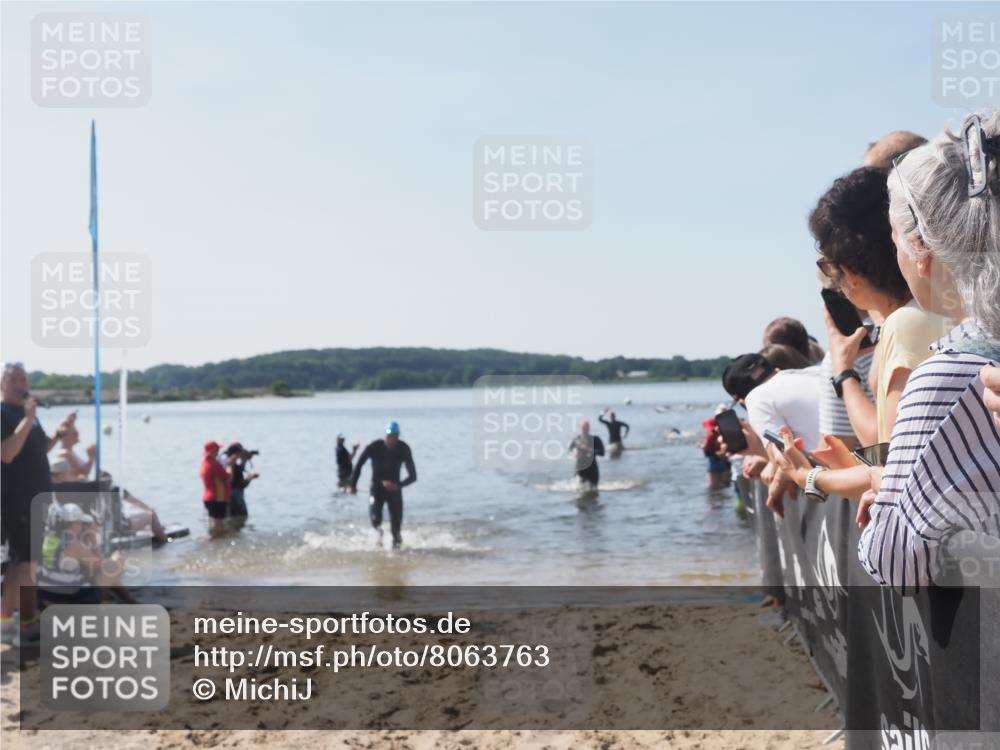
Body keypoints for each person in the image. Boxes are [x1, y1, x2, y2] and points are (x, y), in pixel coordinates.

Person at [774, 113, 1000, 592]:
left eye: (896, 236)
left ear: (921, 250)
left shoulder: (948, 372)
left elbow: (897, 562)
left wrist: (883, 488)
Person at [811, 166, 953, 449]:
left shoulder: (906, 324)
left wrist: (844, 372)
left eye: (828, 266)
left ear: (849, 272)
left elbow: (893, 452)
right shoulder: (947, 306)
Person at [1, 363, 74, 644]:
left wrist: (58, 433)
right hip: (17, 499)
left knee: (22, 563)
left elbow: (37, 449)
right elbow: (7, 454)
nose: (21, 385)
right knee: (25, 564)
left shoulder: (27, 416)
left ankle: (8, 621)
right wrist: (28, 419)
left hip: (39, 497)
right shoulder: (5, 413)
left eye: (24, 379)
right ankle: (25, 623)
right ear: (2, 384)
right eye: (15, 380)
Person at [349, 421, 417, 549]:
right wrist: (353, 484)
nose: (391, 439)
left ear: (398, 436)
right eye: (389, 436)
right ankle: (379, 538)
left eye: (395, 436)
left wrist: (398, 485)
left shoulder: (403, 449)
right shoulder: (375, 447)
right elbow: (359, 465)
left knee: (396, 530)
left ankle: (397, 558)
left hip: (394, 491)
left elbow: (413, 476)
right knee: (375, 521)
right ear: (385, 435)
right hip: (377, 490)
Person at [199, 441, 231, 534]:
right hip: (217, 498)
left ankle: (213, 541)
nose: (218, 452)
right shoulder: (214, 464)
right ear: (213, 451)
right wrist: (229, 466)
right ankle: (218, 542)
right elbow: (226, 476)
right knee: (219, 524)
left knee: (212, 521)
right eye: (217, 450)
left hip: (208, 497)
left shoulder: (204, 464)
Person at [224, 442, 258, 525]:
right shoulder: (230, 465)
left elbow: (238, 471)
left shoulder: (226, 463)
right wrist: (250, 478)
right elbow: (240, 484)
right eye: (240, 453)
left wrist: (244, 461)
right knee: (240, 519)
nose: (240, 455)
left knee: (231, 522)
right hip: (235, 498)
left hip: (228, 498)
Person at [569, 419, 605, 489]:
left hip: (592, 470)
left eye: (586, 428)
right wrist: (575, 453)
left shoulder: (595, 439)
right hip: (580, 469)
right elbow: (570, 450)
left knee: (593, 490)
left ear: (589, 428)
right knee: (578, 490)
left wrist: (590, 450)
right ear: (581, 428)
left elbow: (602, 452)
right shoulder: (576, 439)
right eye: (583, 428)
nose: (584, 430)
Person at [699, 413, 731, 490]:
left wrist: (701, 446)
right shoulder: (720, 434)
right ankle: (722, 500)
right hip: (722, 461)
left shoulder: (710, 436)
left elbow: (707, 449)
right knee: (723, 484)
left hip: (713, 461)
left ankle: (715, 499)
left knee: (713, 486)